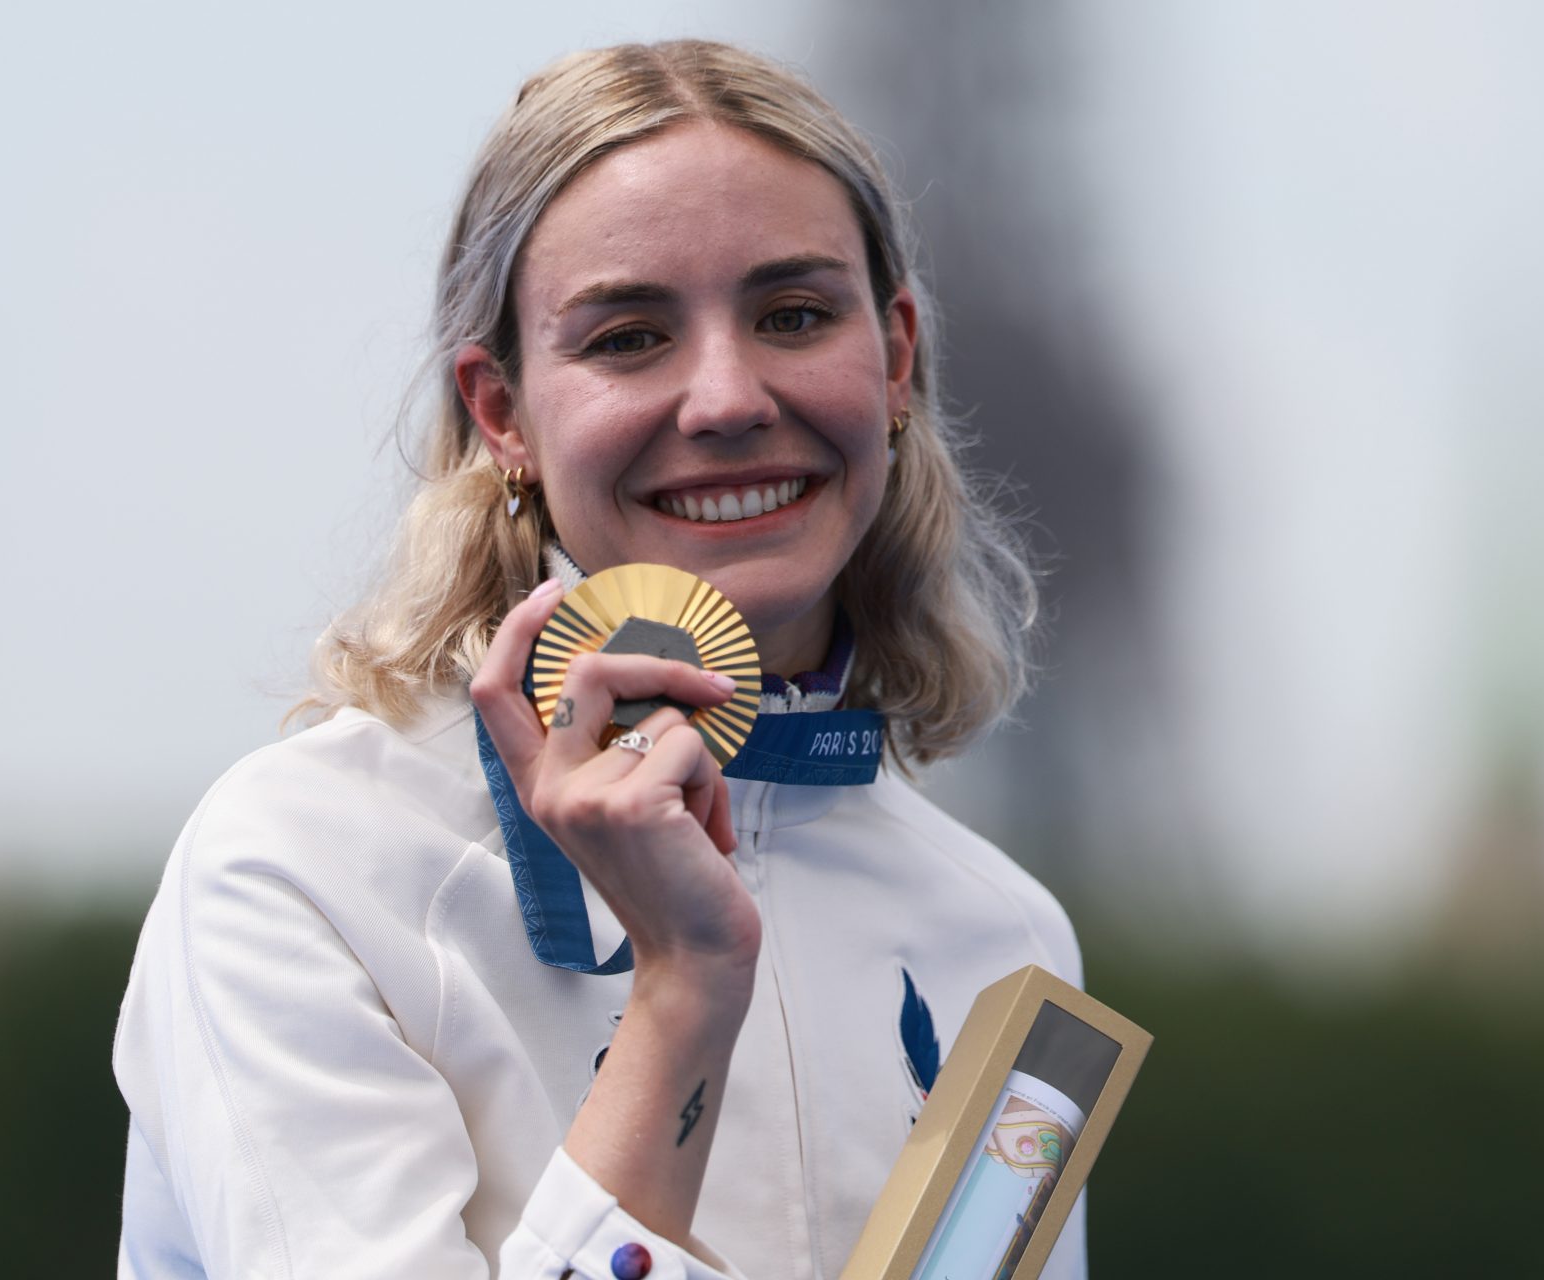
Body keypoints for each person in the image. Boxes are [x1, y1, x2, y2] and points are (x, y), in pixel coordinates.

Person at [113, 39, 1084, 1280]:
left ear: (895, 355)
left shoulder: (1005, 935)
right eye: (629, 337)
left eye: (793, 314)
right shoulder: (300, 868)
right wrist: (683, 986)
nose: (727, 396)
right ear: (501, 411)